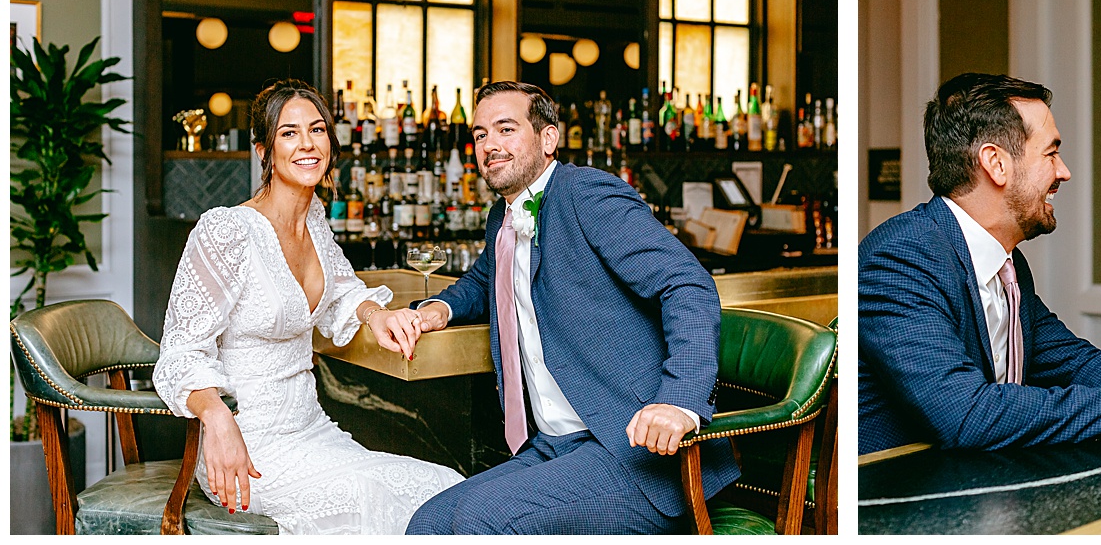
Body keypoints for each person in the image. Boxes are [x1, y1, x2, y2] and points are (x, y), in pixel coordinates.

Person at [402, 81, 734, 533]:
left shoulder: (586, 194)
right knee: (430, 523)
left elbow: (688, 284)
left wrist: (679, 401)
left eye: (505, 129)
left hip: (632, 449)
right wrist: (441, 307)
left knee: (483, 520)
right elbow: (488, 277)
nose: (489, 145)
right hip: (554, 444)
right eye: (480, 134)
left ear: (548, 138)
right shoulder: (502, 216)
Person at [153, 82, 463, 532]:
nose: (307, 144)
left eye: (317, 130)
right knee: (372, 497)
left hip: (312, 430)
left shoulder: (314, 220)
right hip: (245, 447)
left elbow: (341, 291)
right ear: (264, 150)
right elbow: (179, 354)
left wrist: (378, 315)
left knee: (442, 488)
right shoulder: (227, 230)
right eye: (289, 133)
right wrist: (217, 418)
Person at [859, 72, 1101, 455]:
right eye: (1051, 153)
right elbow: (965, 415)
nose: (1063, 171)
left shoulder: (1008, 264)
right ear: (996, 163)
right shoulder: (900, 259)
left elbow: (1070, 362)